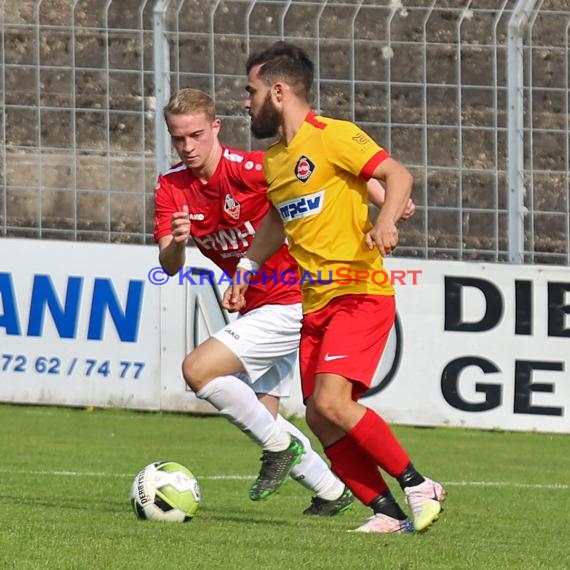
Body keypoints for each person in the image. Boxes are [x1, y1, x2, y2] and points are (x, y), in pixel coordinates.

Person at [223, 41, 446, 534]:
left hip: (359, 292)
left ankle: (418, 484)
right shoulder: (276, 160)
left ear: (278, 92)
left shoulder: (333, 136)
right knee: (320, 418)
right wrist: (246, 269)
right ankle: (386, 513)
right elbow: (278, 222)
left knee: (330, 403)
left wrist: (386, 220)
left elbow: (397, 174)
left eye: (251, 90)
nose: (246, 101)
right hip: (315, 302)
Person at [154, 88, 362, 515]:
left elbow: (317, 177)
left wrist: (382, 197)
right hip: (256, 306)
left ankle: (281, 449)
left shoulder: (250, 168)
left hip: (295, 298)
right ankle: (331, 491)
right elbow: (170, 264)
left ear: (216, 128)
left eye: (196, 135)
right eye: (178, 138)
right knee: (262, 414)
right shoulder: (171, 186)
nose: (188, 147)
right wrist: (178, 243)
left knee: (198, 370)